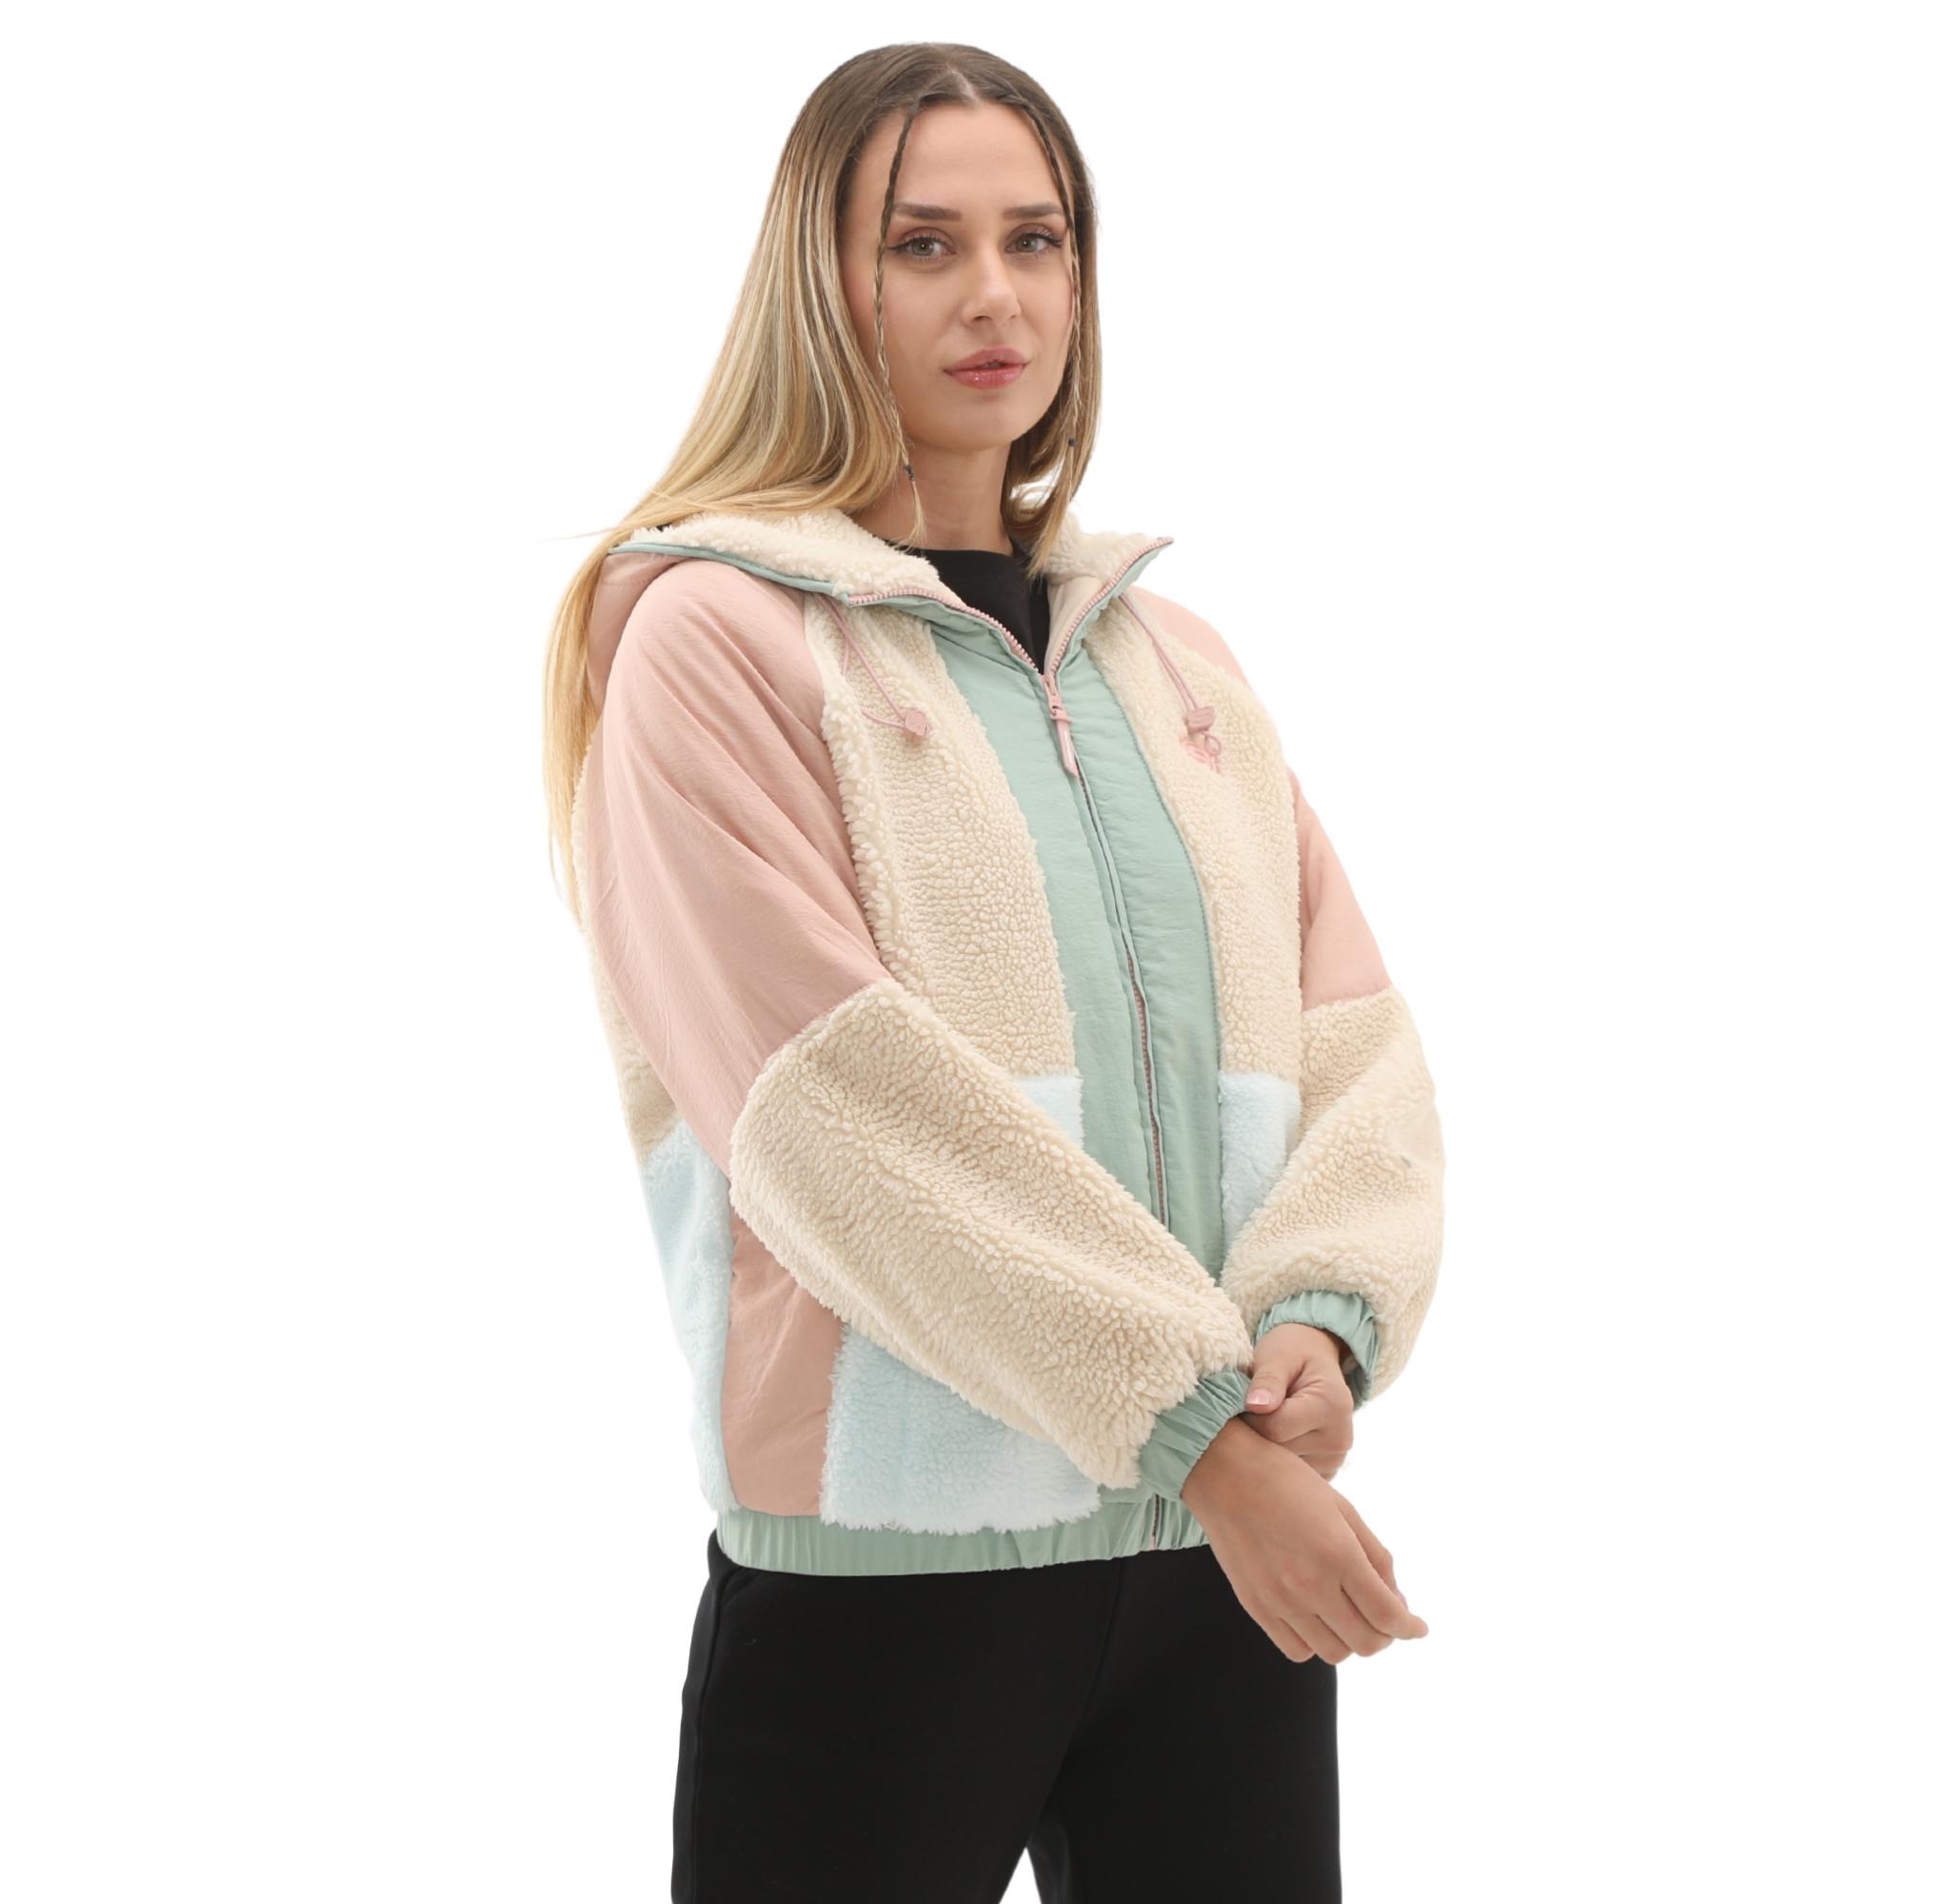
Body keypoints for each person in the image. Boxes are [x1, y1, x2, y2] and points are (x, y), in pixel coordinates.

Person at [540, 42, 1446, 1904]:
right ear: (823, 282)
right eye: (923, 243)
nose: (995, 296)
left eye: (1036, 240)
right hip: (891, 1581)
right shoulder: (715, 642)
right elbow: (840, 1119)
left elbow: (1351, 1050)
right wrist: (1206, 1442)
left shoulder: (1175, 664)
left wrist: (1319, 1314)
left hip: (1213, 1578)